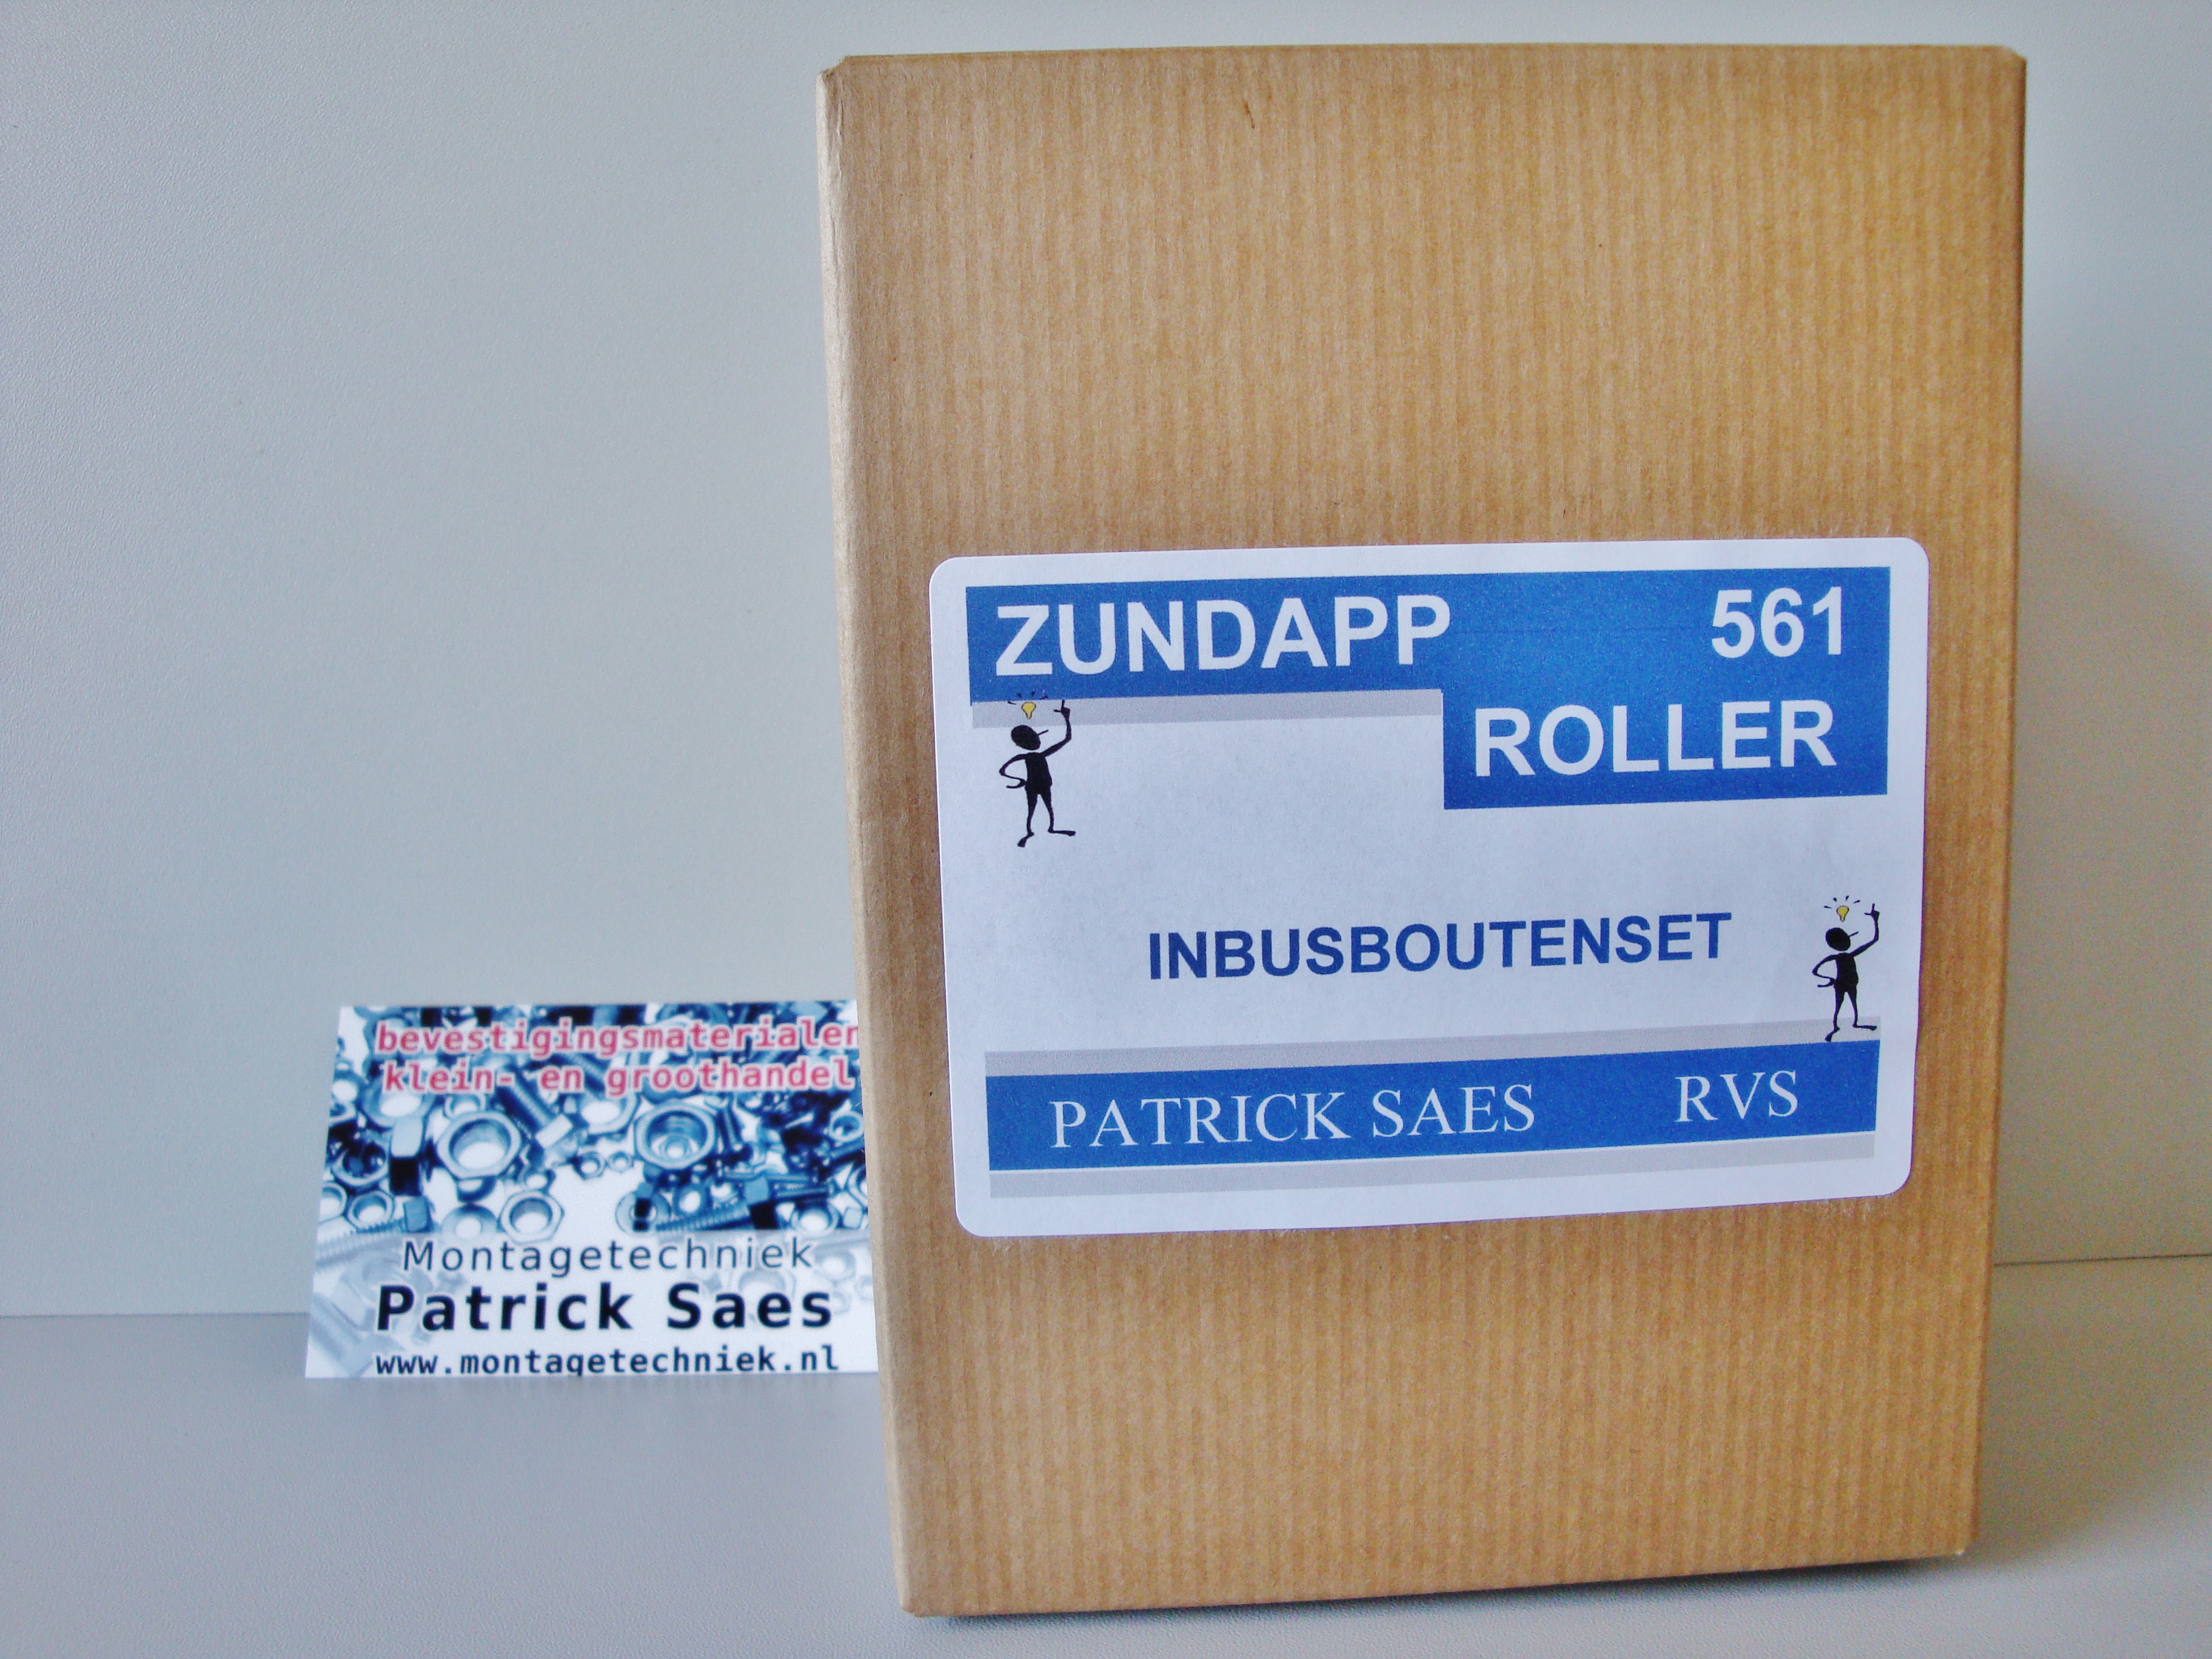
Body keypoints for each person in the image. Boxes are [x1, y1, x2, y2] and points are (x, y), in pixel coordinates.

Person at [999, 703, 1075, 846]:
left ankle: (1040, 830)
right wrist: (1066, 718)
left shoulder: (1030, 756)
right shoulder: (1036, 756)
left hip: (1038, 785)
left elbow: (1003, 770)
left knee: (1042, 807)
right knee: (1037, 808)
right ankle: (1035, 831)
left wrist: (1018, 780)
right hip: (1037, 786)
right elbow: (1067, 738)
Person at [1812, 904, 1880, 1040]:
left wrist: (1875, 920)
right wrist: (1829, 979)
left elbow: (1874, 940)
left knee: (1852, 1003)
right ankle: (1836, 1027)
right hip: (1843, 984)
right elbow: (1815, 970)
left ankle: (1853, 1023)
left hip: (1849, 983)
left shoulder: (1847, 956)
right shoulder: (1841, 957)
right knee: (1840, 1005)